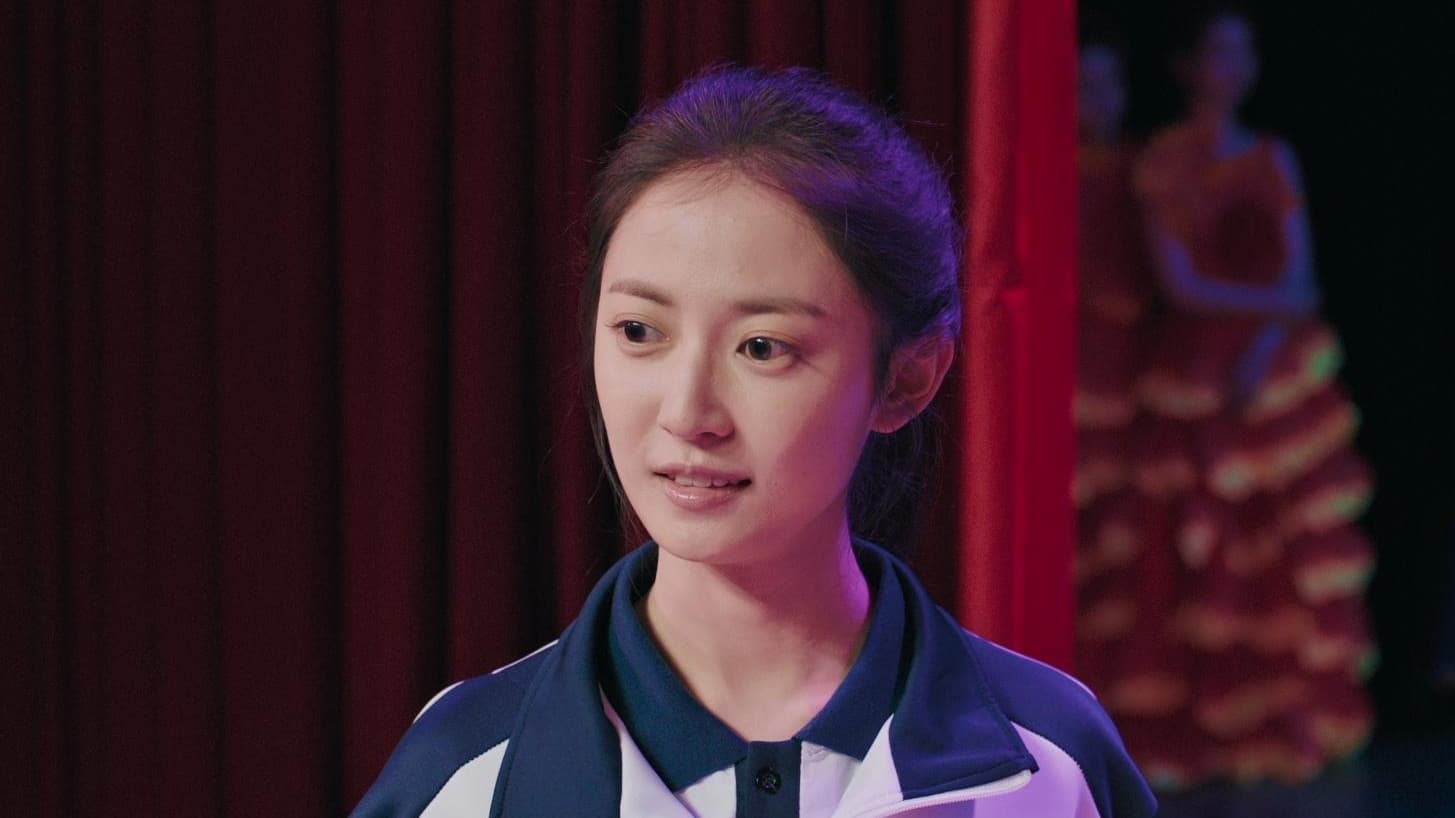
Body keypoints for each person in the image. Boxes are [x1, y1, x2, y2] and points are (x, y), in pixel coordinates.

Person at [352, 65, 1156, 818]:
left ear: (906, 380)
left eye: (762, 347)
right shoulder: (468, 772)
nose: (687, 412)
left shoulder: (1051, 761)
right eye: (638, 331)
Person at [1078, 5, 1377, 789]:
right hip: (1197, 375)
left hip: (1278, 371)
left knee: (1279, 548)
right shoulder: (1161, 160)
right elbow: (1179, 281)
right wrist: (1275, 309)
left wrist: (1270, 335)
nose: (1232, 67)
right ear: (1185, 66)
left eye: (1242, 52)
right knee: (1197, 552)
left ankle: (1276, 724)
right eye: (1217, 51)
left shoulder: (1272, 155)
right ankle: (1199, 731)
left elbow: (1300, 272)